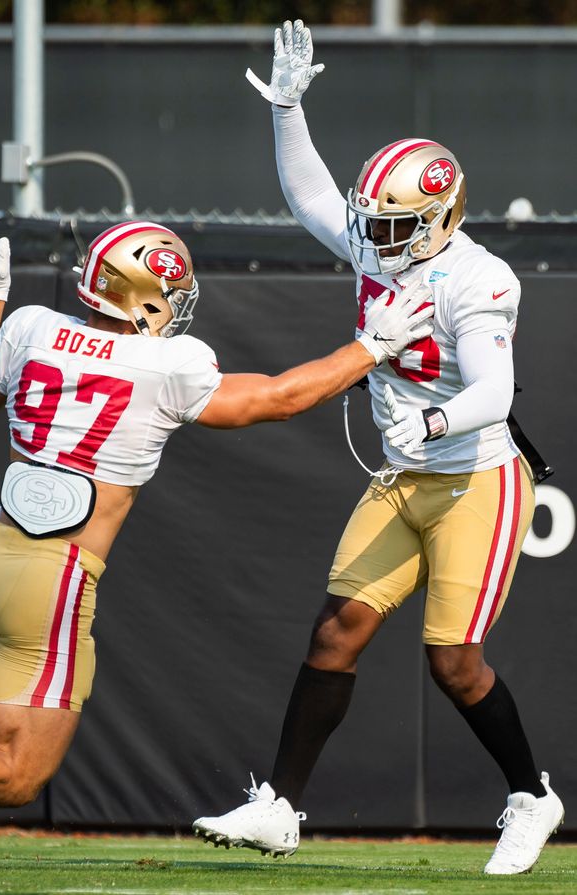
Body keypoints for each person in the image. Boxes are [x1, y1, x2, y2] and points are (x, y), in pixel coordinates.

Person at [0, 216, 433, 830]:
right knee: (16, 774)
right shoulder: (168, 364)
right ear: (143, 294)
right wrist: (371, 350)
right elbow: (278, 398)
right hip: (55, 578)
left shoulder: (32, 327)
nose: (176, 305)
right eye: (170, 292)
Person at [192, 20, 563, 876]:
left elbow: (495, 394)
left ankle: (529, 795)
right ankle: (280, 806)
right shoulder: (378, 239)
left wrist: (428, 423)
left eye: (399, 225)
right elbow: (311, 197)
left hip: (473, 475)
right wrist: (287, 109)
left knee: (454, 662)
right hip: (404, 472)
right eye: (378, 223)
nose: (377, 238)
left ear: (443, 217)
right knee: (337, 632)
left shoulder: (478, 277)